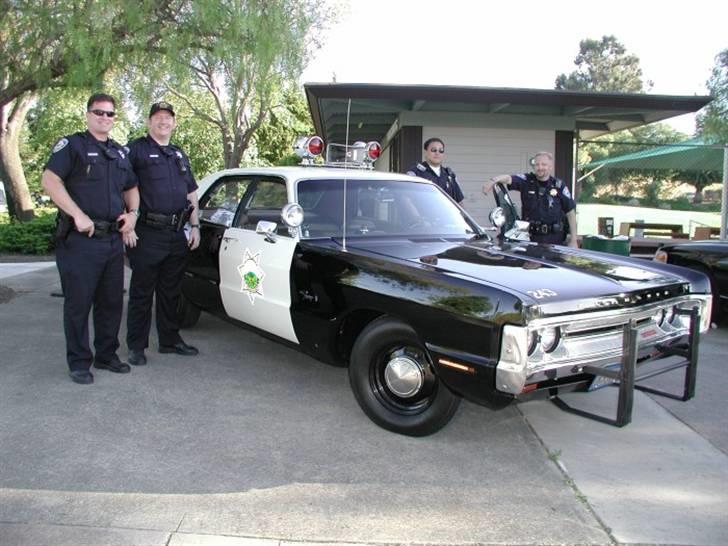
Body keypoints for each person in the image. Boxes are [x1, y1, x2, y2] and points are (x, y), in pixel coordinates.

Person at [41, 93, 139, 384]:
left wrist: (133, 214)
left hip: (111, 240)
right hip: (81, 240)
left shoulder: (120, 153)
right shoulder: (73, 146)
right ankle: (79, 362)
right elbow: (49, 180)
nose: (104, 118)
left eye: (110, 114)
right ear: (87, 114)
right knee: (78, 304)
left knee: (110, 302)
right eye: (99, 112)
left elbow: (132, 187)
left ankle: (107, 355)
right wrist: (76, 214)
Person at [124, 101, 201, 366]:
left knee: (171, 292)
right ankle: (136, 346)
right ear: (149, 122)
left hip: (176, 232)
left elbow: (191, 192)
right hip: (147, 232)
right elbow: (122, 186)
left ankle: (169, 340)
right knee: (142, 293)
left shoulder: (179, 154)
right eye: (157, 117)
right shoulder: (135, 150)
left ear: (174, 123)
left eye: (168, 118)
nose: (163, 122)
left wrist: (196, 226)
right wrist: (128, 224)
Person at [482, 151, 578, 247]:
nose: (540, 168)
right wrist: (493, 181)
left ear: (550, 166)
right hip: (530, 240)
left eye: (544, 164)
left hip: (554, 240)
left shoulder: (559, 186)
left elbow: (570, 213)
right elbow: (508, 178)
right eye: (537, 164)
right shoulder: (526, 181)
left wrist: (574, 240)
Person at [405, 137, 464, 203]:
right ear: (425, 152)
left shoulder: (450, 175)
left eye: (441, 150)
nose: (437, 153)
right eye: (433, 150)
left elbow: (459, 202)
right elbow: (407, 200)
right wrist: (416, 214)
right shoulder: (415, 174)